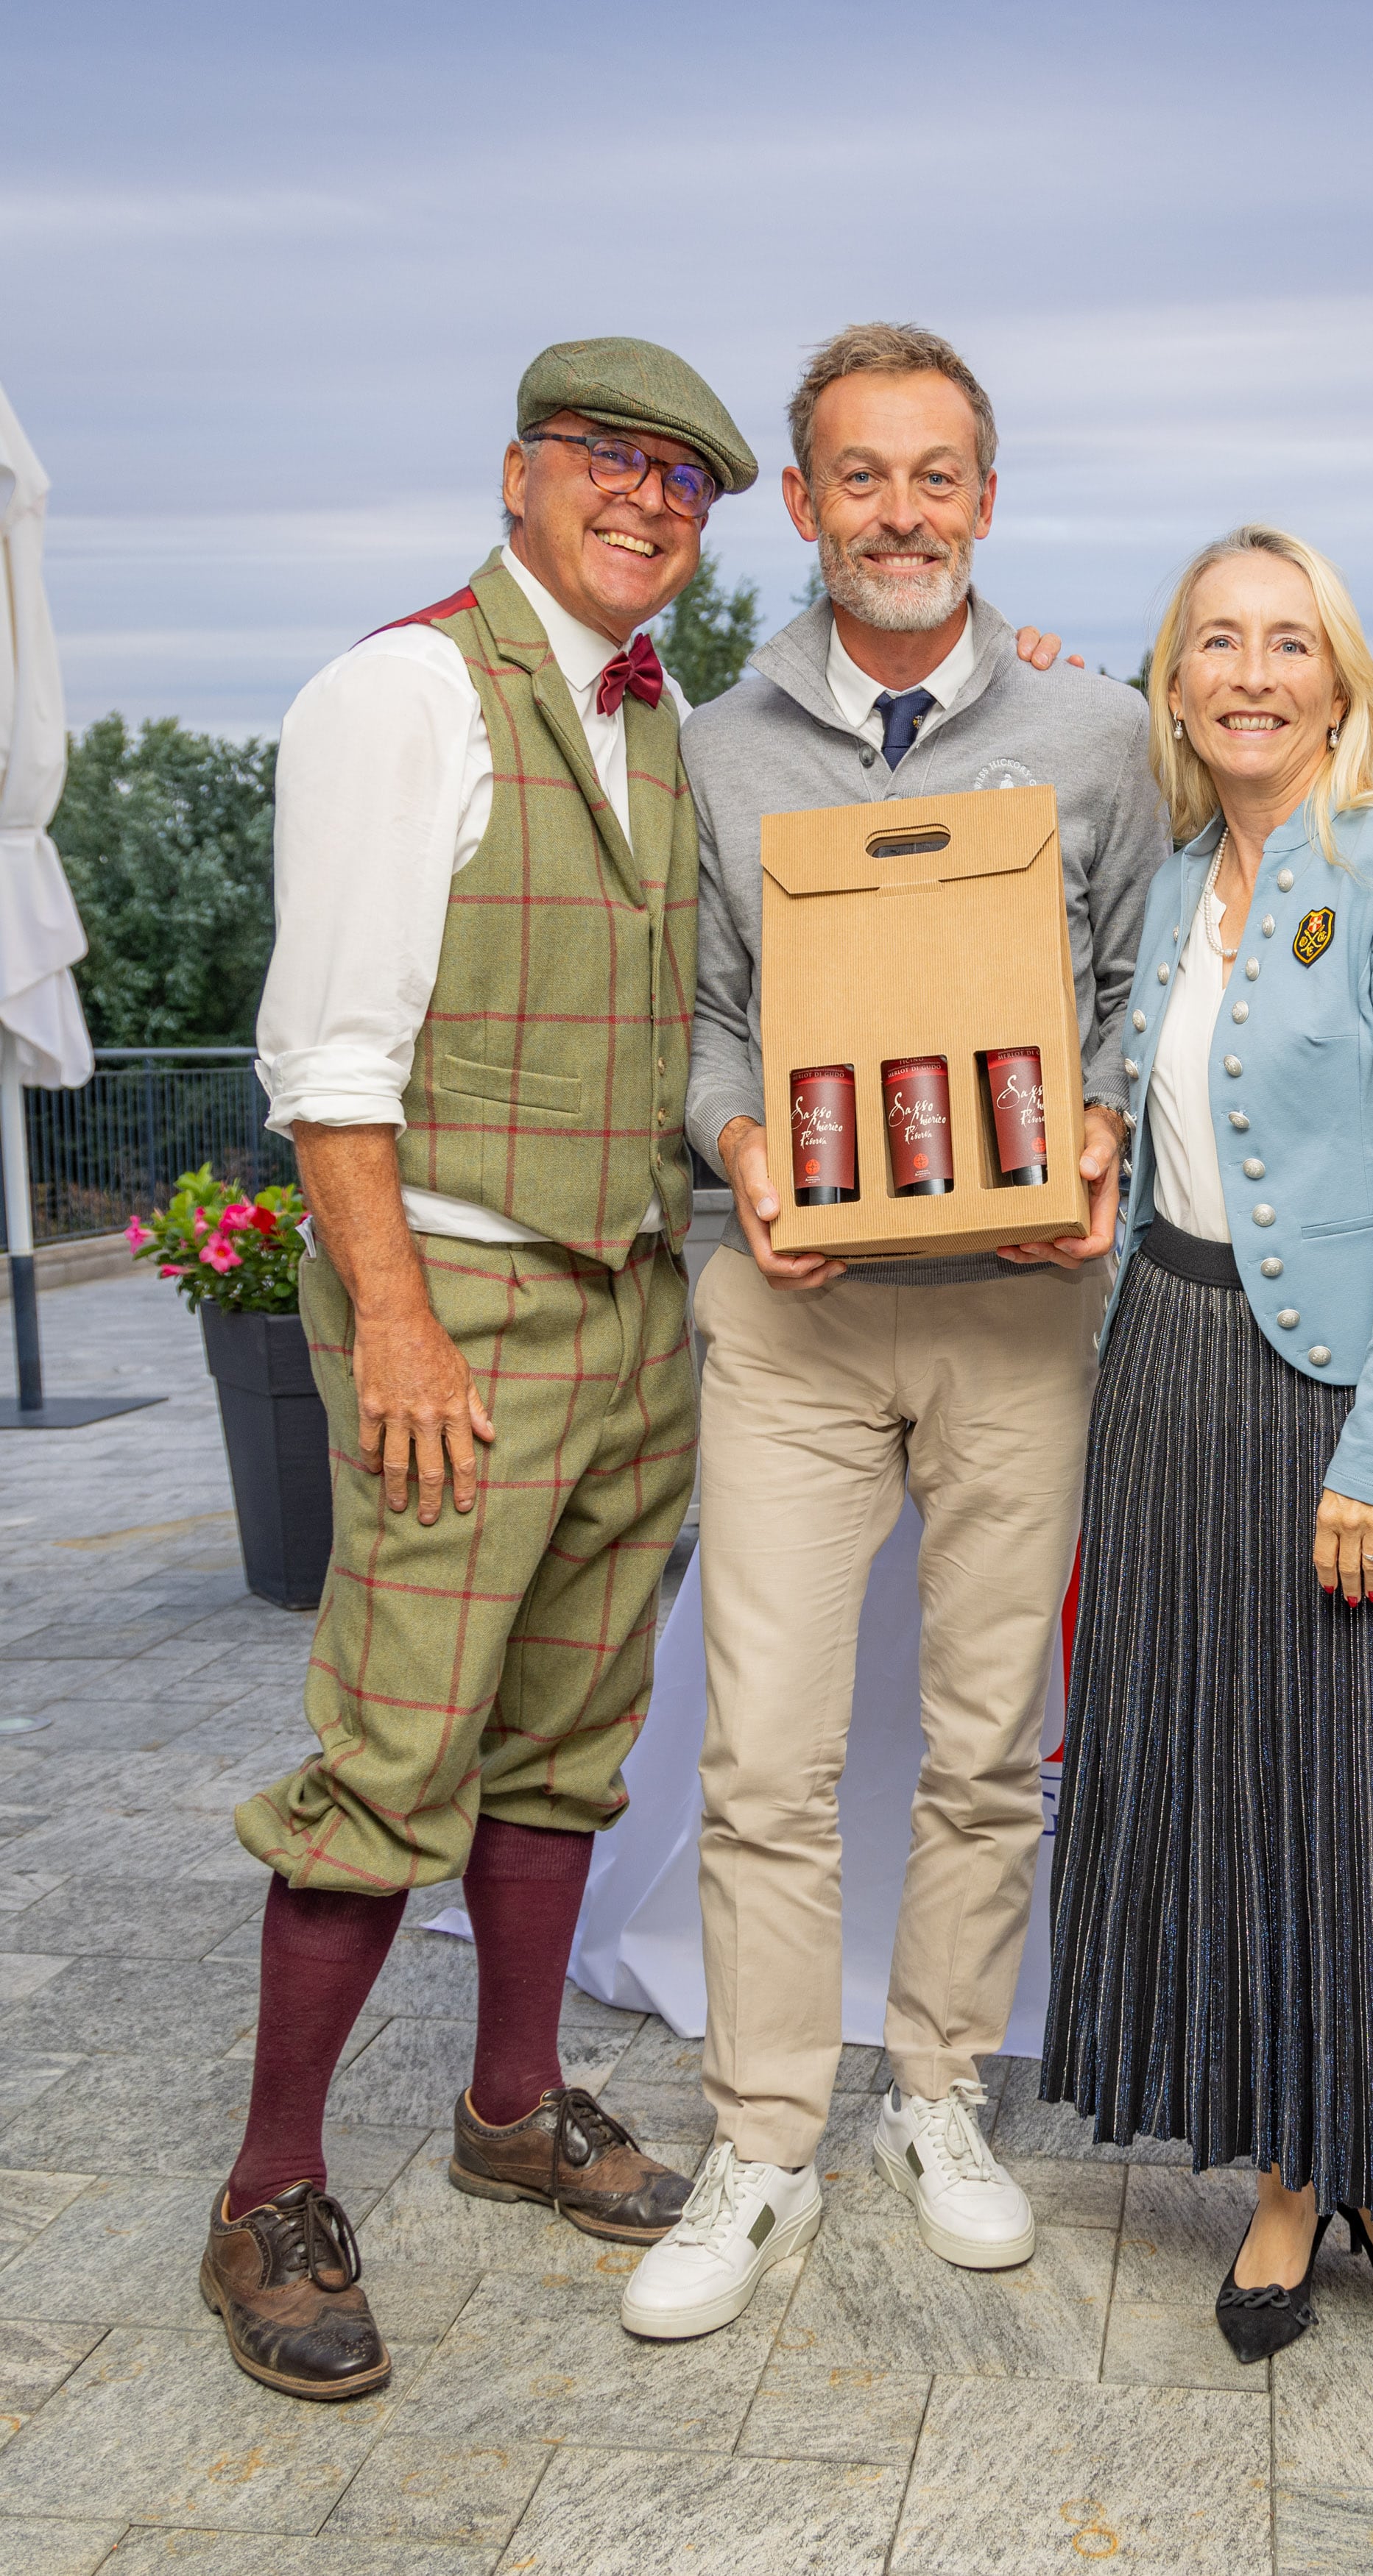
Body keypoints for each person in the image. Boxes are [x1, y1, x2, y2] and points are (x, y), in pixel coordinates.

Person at [202, 340, 759, 2401]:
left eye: (684, 483)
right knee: (395, 1749)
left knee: (565, 1738)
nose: (646, 500)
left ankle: (511, 2107)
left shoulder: (659, 713)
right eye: (609, 459)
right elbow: (328, 1057)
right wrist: (397, 1321)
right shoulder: (404, 691)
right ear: (518, 473)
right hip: (456, 1293)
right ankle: (267, 2189)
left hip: (627, 1295)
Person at [620, 321, 1170, 2343]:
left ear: (987, 501)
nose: (901, 512)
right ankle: (763, 2137)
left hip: (1023, 1315)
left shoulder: (1099, 735)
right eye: (862, 475)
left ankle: (938, 2091)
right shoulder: (710, 747)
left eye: (937, 475)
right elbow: (702, 1018)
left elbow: (1135, 987)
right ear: (804, 502)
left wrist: (1099, 1123)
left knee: (985, 1744)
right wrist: (738, 1145)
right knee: (762, 1748)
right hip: (794, 1317)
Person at [1041, 524, 1373, 2364]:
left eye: (1289, 642)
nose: (1253, 674)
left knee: (1365, 1801)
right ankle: (1292, 2173)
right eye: (1218, 642)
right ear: (1174, 685)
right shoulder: (1176, 880)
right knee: (1229, 1796)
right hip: (1167, 1369)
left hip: (1346, 1396)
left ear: (1342, 682)